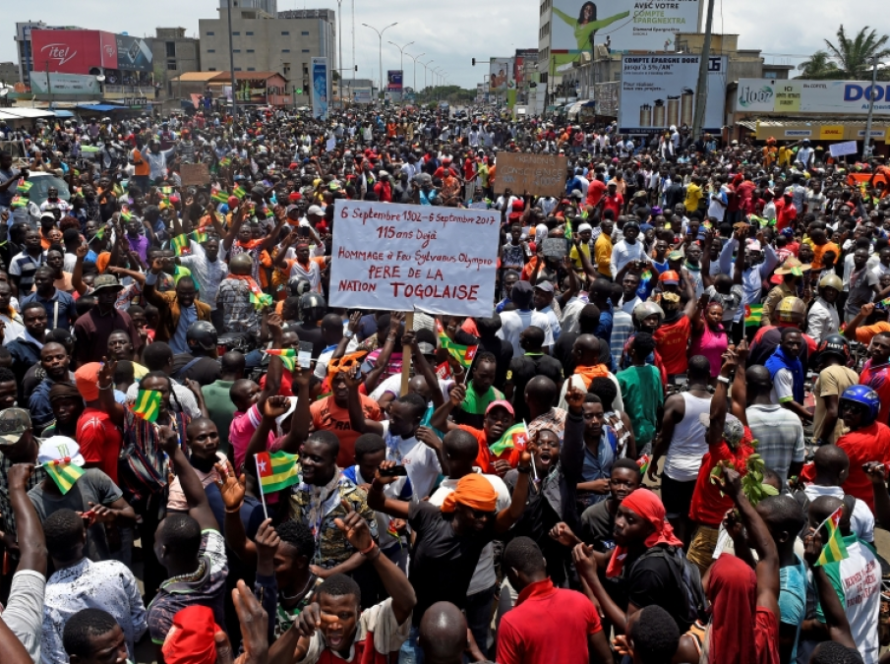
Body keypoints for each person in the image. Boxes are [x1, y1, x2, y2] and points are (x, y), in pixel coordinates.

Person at [368, 449, 531, 662]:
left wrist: (524, 469)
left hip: (451, 628)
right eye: (477, 512)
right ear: (459, 505)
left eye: (488, 513)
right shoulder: (428, 515)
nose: (483, 519)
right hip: (414, 626)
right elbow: (377, 503)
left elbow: (514, 512)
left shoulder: (480, 532)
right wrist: (378, 484)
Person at [285, 506, 417, 664]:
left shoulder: (373, 624)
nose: (335, 625)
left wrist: (371, 550)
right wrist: (295, 631)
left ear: (358, 613)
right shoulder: (315, 636)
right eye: (327, 614)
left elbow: (407, 601)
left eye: (344, 615)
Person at [146, 424, 228, 655]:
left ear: (163, 551)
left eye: (155, 541)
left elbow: (165, 657)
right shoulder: (217, 562)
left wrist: (174, 452)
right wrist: (175, 452)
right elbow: (199, 503)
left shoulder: (161, 610)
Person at [40, 508, 147, 664]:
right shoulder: (116, 571)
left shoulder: (46, 601)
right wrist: (125, 647)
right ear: (84, 538)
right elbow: (139, 623)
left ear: (46, 547)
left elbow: (54, 658)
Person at [703, 468, 782, 664]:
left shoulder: (700, 644)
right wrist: (738, 494)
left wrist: (738, 540)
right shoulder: (763, 633)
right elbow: (769, 557)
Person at [496, 537, 612, 664]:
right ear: (544, 562)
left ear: (514, 573)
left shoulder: (511, 623)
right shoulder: (581, 602)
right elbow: (607, 659)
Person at [650, 354, 712, 544]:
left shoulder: (676, 401)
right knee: (692, 515)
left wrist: (654, 462)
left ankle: (676, 547)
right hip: (701, 472)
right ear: (709, 375)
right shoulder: (717, 403)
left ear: (688, 374)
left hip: (675, 471)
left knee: (673, 516)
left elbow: (663, 437)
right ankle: (688, 548)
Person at [801, 385, 890, 511]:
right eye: (845, 406)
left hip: (848, 505)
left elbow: (821, 470)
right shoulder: (884, 430)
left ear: (869, 413)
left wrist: (796, 471)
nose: (848, 412)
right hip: (875, 503)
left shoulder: (849, 442)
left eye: (855, 409)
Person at [744, 363, 806, 485]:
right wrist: (788, 483)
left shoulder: (744, 420)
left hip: (750, 494)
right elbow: (798, 463)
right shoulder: (794, 419)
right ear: (772, 386)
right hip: (782, 493)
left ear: (746, 387)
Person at [72, 275, 143, 367]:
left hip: (125, 370)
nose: (110, 295)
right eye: (105, 292)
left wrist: (135, 371)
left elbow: (135, 349)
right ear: (98, 294)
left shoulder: (125, 317)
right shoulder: (84, 322)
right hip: (98, 372)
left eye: (113, 291)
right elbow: (80, 358)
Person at [616, 332, 663, 454]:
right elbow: (659, 403)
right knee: (643, 464)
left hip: (628, 435)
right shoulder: (655, 372)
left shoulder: (621, 377)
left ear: (632, 352)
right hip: (648, 432)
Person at [811, 334, 858, 446]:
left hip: (830, 438)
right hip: (846, 434)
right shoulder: (854, 374)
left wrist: (821, 439)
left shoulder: (827, 373)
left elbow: (833, 411)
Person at [21, 266, 78, 332]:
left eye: (43, 279)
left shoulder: (67, 298)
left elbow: (74, 319)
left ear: (53, 280)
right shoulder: (28, 302)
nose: (38, 282)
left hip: (60, 337)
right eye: (36, 279)